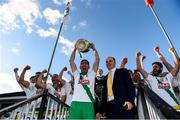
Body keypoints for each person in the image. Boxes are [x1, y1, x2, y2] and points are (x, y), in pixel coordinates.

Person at [68, 43, 100, 119]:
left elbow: (97, 60)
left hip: (88, 104)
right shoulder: (76, 74)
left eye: (86, 64)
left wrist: (94, 49)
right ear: (80, 66)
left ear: (89, 67)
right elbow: (71, 61)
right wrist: (75, 49)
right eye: (82, 63)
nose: (84, 65)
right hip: (76, 103)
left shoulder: (92, 74)